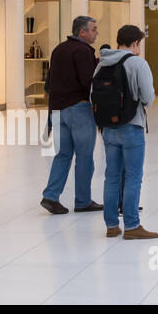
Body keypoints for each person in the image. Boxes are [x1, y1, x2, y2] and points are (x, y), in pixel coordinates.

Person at [95, 25, 158, 239]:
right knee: (133, 176)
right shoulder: (137, 63)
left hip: (108, 128)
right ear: (135, 43)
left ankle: (111, 225)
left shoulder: (101, 63)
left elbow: (92, 95)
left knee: (111, 176)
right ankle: (132, 226)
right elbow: (148, 97)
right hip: (132, 126)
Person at [41, 15, 104, 215]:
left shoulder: (58, 50)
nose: (96, 33)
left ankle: (51, 196)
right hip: (79, 109)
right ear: (82, 32)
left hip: (59, 110)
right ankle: (83, 201)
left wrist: (50, 117)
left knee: (63, 155)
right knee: (85, 157)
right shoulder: (83, 51)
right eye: (93, 29)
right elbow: (88, 82)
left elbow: (51, 85)